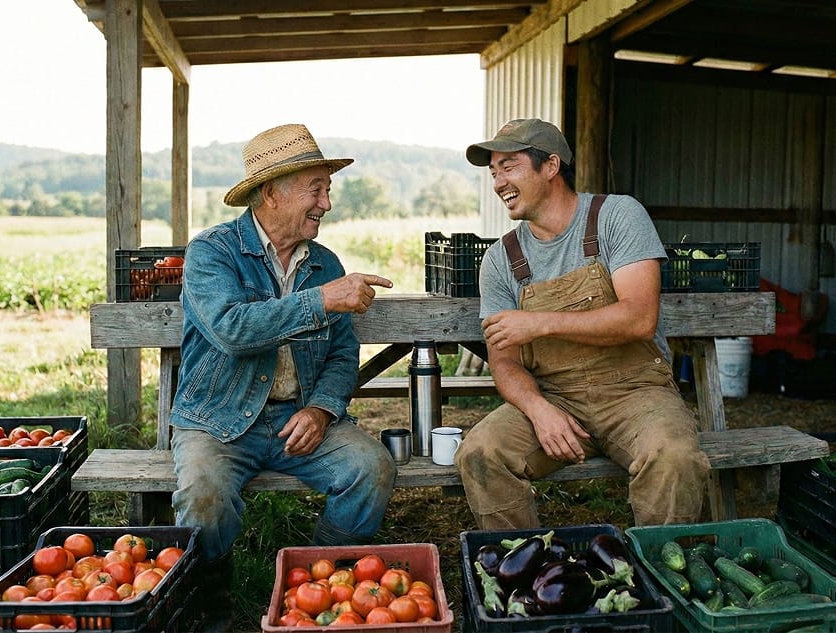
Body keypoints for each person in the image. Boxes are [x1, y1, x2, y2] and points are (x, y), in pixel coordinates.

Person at [169, 123, 396, 631]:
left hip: (298, 420)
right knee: (203, 496)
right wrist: (322, 300)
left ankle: (315, 580)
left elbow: (342, 353)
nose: (326, 204)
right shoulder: (213, 252)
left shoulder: (324, 263)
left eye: (327, 190)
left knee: (372, 469)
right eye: (316, 189)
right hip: (218, 418)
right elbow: (231, 329)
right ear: (272, 192)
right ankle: (212, 600)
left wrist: (321, 409)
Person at [454, 118, 710, 530]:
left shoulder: (616, 217)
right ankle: (525, 577)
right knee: (481, 453)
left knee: (674, 457)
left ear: (551, 166)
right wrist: (539, 410)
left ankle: (662, 578)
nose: (498, 182)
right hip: (555, 398)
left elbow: (639, 318)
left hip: (636, 394)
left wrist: (538, 323)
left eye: (510, 166)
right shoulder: (501, 260)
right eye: (494, 171)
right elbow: (504, 363)